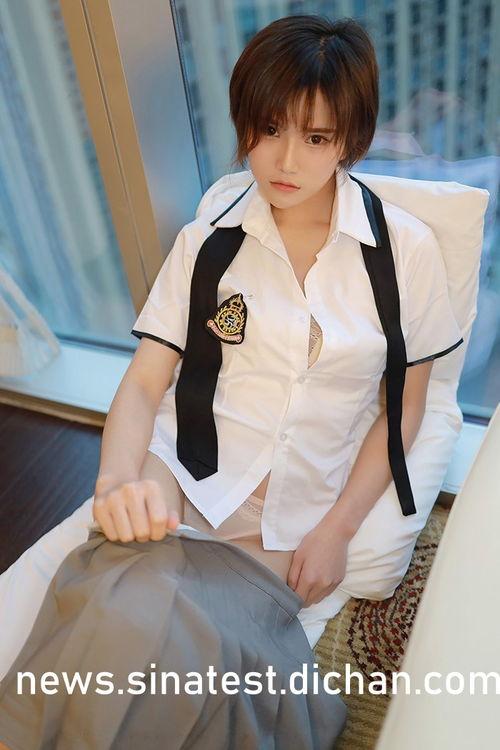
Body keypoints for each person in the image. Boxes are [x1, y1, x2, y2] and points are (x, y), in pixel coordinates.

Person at [0, 13, 465, 749]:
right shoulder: (209, 241)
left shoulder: (401, 255)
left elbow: (405, 407)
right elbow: (145, 382)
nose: (285, 160)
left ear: (350, 139)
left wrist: (338, 530)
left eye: (316, 138)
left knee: (183, 656)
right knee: (126, 617)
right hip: (186, 480)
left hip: (293, 521)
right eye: (269, 128)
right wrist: (116, 483)